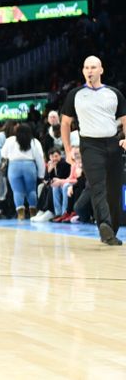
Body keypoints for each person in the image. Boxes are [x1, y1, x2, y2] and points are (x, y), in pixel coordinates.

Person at [61, 55, 125, 245]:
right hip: (89, 145)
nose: (90, 70)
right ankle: (104, 226)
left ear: (101, 70)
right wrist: (67, 150)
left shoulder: (114, 93)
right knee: (97, 187)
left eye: (93, 67)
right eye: (86, 67)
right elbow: (65, 123)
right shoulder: (75, 94)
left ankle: (111, 228)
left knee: (114, 190)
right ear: (83, 71)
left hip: (113, 144)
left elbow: (124, 118)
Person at [1, 123, 45, 220]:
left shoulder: (10, 140)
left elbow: (3, 154)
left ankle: (21, 214)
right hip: (29, 166)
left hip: (14, 166)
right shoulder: (34, 142)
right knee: (31, 190)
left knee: (17, 191)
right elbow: (40, 158)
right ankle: (33, 212)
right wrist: (41, 174)